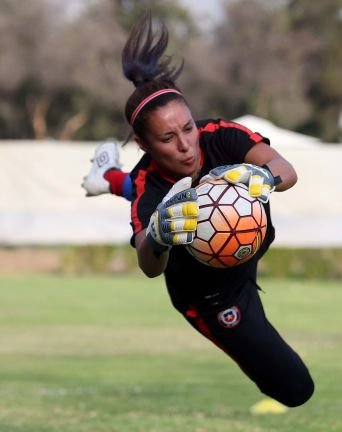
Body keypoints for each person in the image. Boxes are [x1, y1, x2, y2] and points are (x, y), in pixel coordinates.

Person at [82, 14, 314, 407]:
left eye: (187, 128)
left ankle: (107, 177)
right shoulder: (148, 183)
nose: (186, 145)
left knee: (176, 189)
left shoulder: (220, 135)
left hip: (242, 259)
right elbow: (149, 265)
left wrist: (263, 177)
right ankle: (113, 179)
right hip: (211, 296)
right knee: (296, 390)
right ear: (143, 144)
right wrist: (157, 236)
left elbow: (287, 170)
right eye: (168, 138)